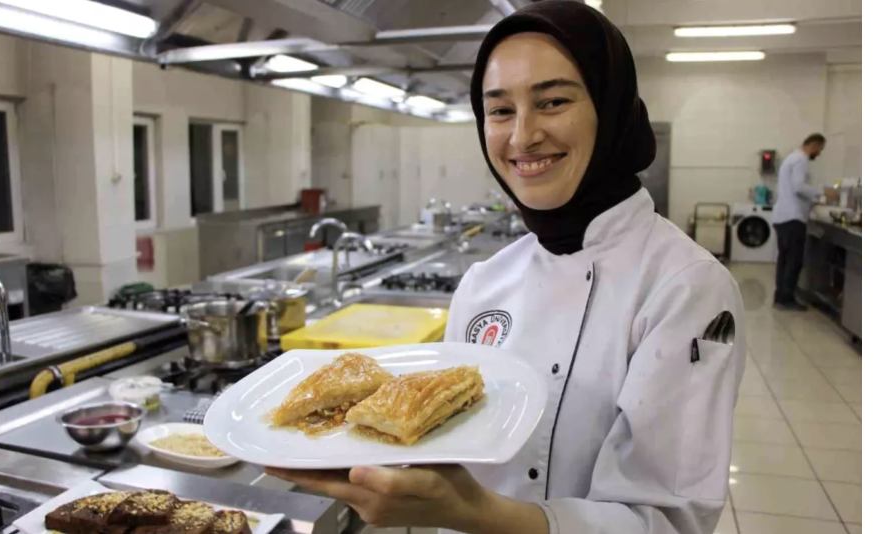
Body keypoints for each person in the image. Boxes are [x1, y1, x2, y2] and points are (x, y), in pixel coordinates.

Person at [266, 3, 747, 534]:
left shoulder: (684, 288)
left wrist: (477, 515)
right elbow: (446, 449)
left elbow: (668, 523)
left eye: (553, 101)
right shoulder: (485, 282)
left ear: (610, 110)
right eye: (499, 111)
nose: (522, 137)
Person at [772, 134, 829, 311]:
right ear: (814, 145)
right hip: (793, 218)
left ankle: (781, 296)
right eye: (820, 149)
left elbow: (792, 189)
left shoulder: (791, 158)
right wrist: (822, 192)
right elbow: (798, 187)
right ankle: (786, 298)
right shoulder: (801, 160)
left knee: (784, 259)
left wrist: (812, 200)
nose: (819, 154)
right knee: (793, 261)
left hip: (783, 217)